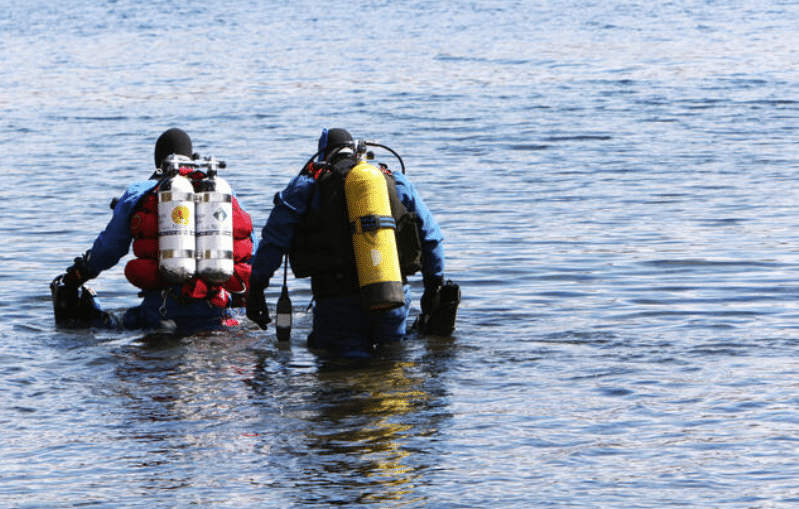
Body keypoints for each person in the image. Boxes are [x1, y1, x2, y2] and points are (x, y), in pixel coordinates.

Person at [247, 128, 448, 357]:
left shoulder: (306, 187)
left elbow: (273, 242)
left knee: (338, 373)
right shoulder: (392, 180)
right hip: (390, 296)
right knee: (393, 364)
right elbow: (432, 238)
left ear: (323, 154)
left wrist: (257, 289)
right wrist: (433, 288)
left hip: (337, 301)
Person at [52, 128, 254, 331]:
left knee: (99, 321)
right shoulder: (222, 193)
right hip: (217, 314)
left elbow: (109, 249)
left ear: (157, 162)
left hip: (160, 312)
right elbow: (249, 248)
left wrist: (79, 274)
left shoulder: (139, 192)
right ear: (192, 158)